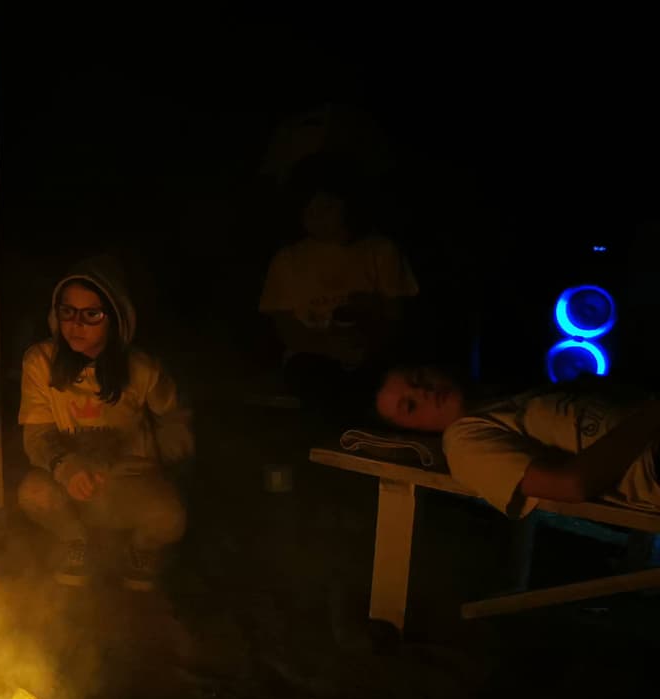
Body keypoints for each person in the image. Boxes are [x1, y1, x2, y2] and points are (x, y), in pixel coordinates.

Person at [17, 259, 193, 589]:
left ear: (115, 318)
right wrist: (67, 466)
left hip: (127, 486)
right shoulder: (41, 362)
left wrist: (159, 461)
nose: (76, 324)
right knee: (33, 493)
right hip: (68, 486)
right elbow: (37, 433)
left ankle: (139, 549)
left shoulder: (142, 369)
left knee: (170, 518)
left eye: (91, 315)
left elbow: (176, 420)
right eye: (68, 312)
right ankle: (76, 541)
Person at [376, 366, 660, 516]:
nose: (423, 392)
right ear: (414, 429)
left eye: (418, 378)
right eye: (410, 406)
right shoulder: (464, 443)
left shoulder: (502, 400)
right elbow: (571, 484)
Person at [259, 154, 418, 420]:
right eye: (309, 211)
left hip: (371, 353)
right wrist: (328, 346)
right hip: (312, 358)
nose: (317, 218)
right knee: (318, 385)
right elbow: (286, 328)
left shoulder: (380, 251)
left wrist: (368, 329)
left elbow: (396, 317)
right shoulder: (288, 260)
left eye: (327, 208)